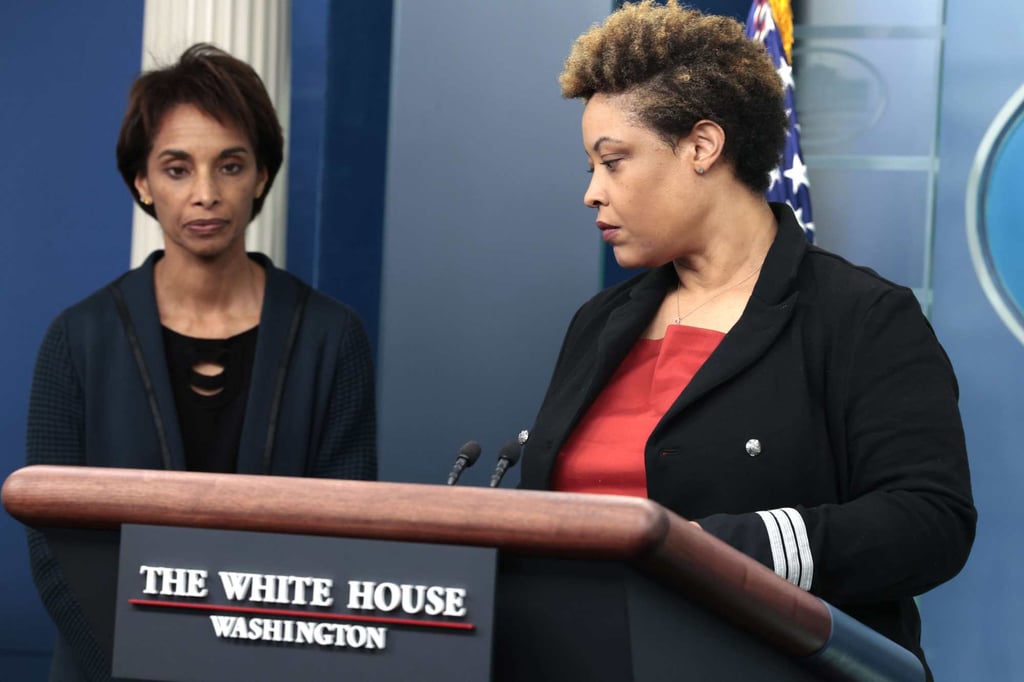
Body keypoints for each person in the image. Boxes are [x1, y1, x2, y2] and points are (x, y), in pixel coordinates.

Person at [519, 2, 975, 675]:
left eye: (613, 162)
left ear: (703, 146)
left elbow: (929, 522)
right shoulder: (599, 324)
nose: (593, 192)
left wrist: (720, 550)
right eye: (592, 166)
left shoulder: (863, 317)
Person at [25, 44, 376, 680]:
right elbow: (55, 549)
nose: (207, 195)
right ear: (143, 182)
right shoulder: (77, 339)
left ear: (262, 175)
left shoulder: (333, 338)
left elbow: (344, 536)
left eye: (231, 166)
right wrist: (136, 661)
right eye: (178, 168)